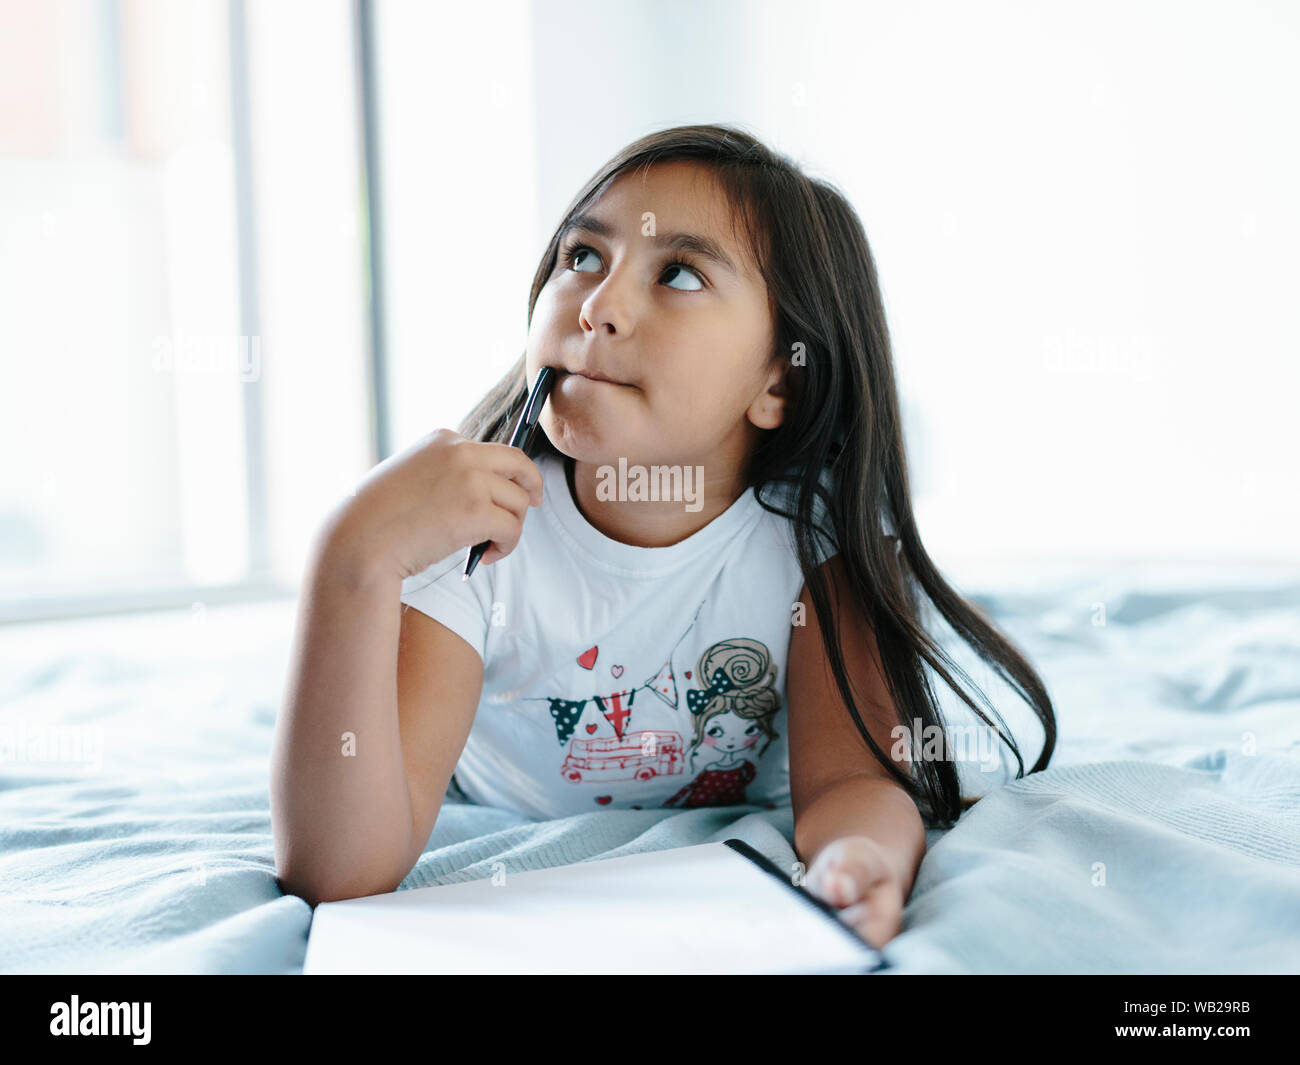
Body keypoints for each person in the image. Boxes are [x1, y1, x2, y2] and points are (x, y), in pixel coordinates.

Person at [271, 124, 1057, 950]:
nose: (599, 306)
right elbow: (340, 874)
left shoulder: (816, 541)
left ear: (779, 379)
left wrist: (861, 858)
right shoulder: (475, 539)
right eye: (582, 257)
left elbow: (851, 782)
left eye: (678, 274)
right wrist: (350, 557)